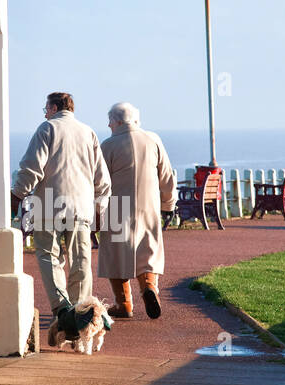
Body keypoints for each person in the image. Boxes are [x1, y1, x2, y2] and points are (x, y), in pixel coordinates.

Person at [12, 91, 111, 346]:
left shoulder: (47, 129)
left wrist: (17, 194)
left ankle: (62, 309)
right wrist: (100, 207)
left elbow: (32, 167)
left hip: (50, 206)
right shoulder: (88, 132)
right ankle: (81, 316)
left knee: (49, 256)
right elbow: (102, 179)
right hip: (81, 208)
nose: (44, 113)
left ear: (54, 107)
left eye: (46, 108)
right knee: (81, 261)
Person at [97, 102, 177, 319]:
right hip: (148, 205)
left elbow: (99, 183)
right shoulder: (153, 140)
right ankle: (149, 288)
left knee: (116, 255)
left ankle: (123, 304)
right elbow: (167, 176)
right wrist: (168, 205)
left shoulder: (107, 146)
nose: (108, 124)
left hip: (117, 206)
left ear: (118, 121)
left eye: (110, 120)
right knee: (147, 250)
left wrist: (95, 213)